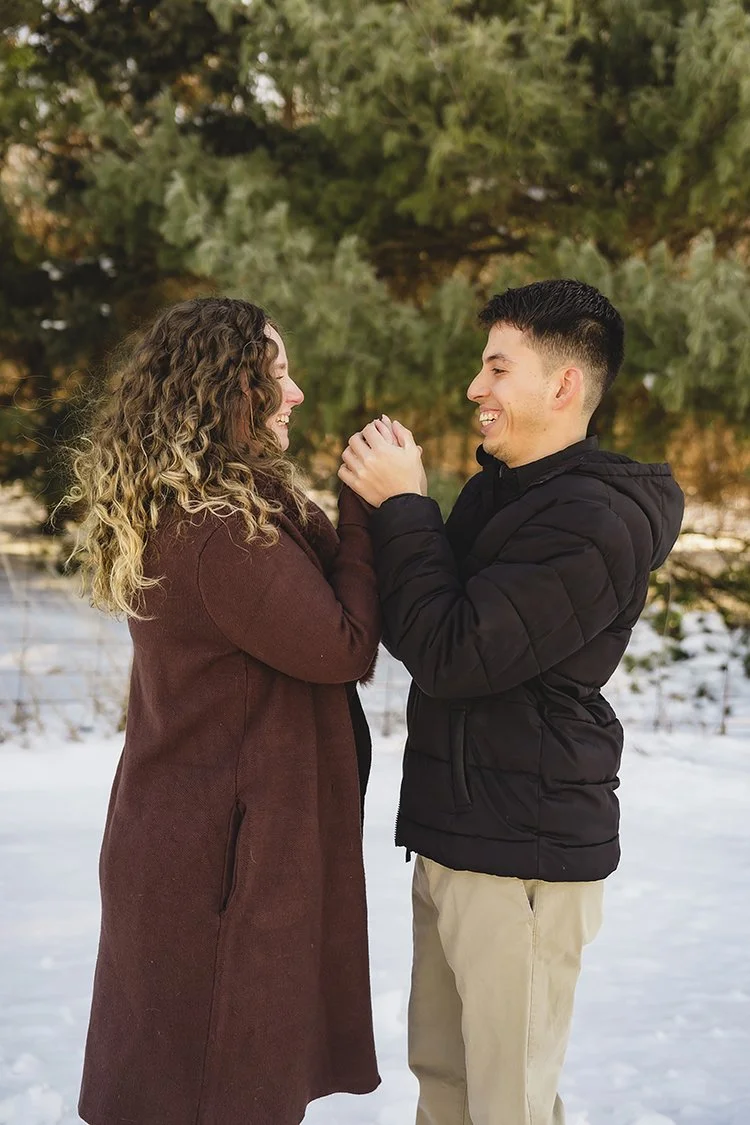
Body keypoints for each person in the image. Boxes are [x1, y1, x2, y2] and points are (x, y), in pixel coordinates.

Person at [339, 279, 685, 1125]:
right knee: (446, 1084)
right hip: (456, 835)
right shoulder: (504, 493)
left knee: (508, 1106)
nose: (475, 387)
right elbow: (422, 624)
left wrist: (407, 505)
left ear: (563, 385)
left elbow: (454, 652)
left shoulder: (593, 521)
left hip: (521, 850)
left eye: (498, 367)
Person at [68, 297, 381, 1125]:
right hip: (217, 867)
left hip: (197, 843)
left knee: (194, 1088)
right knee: (214, 1092)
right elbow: (343, 645)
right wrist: (363, 509)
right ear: (225, 390)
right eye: (275, 374)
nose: (295, 392)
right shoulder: (219, 532)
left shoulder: (223, 509)